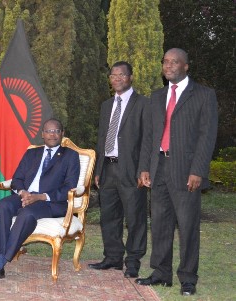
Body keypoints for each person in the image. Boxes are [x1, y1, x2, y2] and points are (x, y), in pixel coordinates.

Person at [136, 48, 218, 296]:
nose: (168, 65)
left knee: (187, 226)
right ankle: (161, 273)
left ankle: (188, 278)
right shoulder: (157, 96)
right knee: (160, 223)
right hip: (159, 167)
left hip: (186, 171)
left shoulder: (204, 95)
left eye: (174, 62)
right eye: (165, 61)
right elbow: (149, 136)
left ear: (186, 66)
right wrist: (144, 167)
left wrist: (198, 171)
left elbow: (207, 136)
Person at [0, 118, 80, 282]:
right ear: (42, 134)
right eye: (49, 131)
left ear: (62, 134)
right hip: (25, 196)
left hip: (50, 202)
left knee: (27, 213)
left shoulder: (70, 156)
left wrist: (40, 197)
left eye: (56, 131)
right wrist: (23, 193)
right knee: (3, 205)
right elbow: (17, 179)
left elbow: (69, 187)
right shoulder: (32, 153)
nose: (52, 134)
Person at [89, 61, 150, 278]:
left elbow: (147, 140)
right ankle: (113, 258)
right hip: (108, 169)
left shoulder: (143, 104)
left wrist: (144, 169)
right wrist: (98, 169)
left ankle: (133, 261)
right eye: (113, 75)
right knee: (109, 216)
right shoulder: (107, 105)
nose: (117, 78)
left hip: (131, 171)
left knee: (135, 218)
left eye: (121, 75)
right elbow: (102, 138)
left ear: (130, 77)